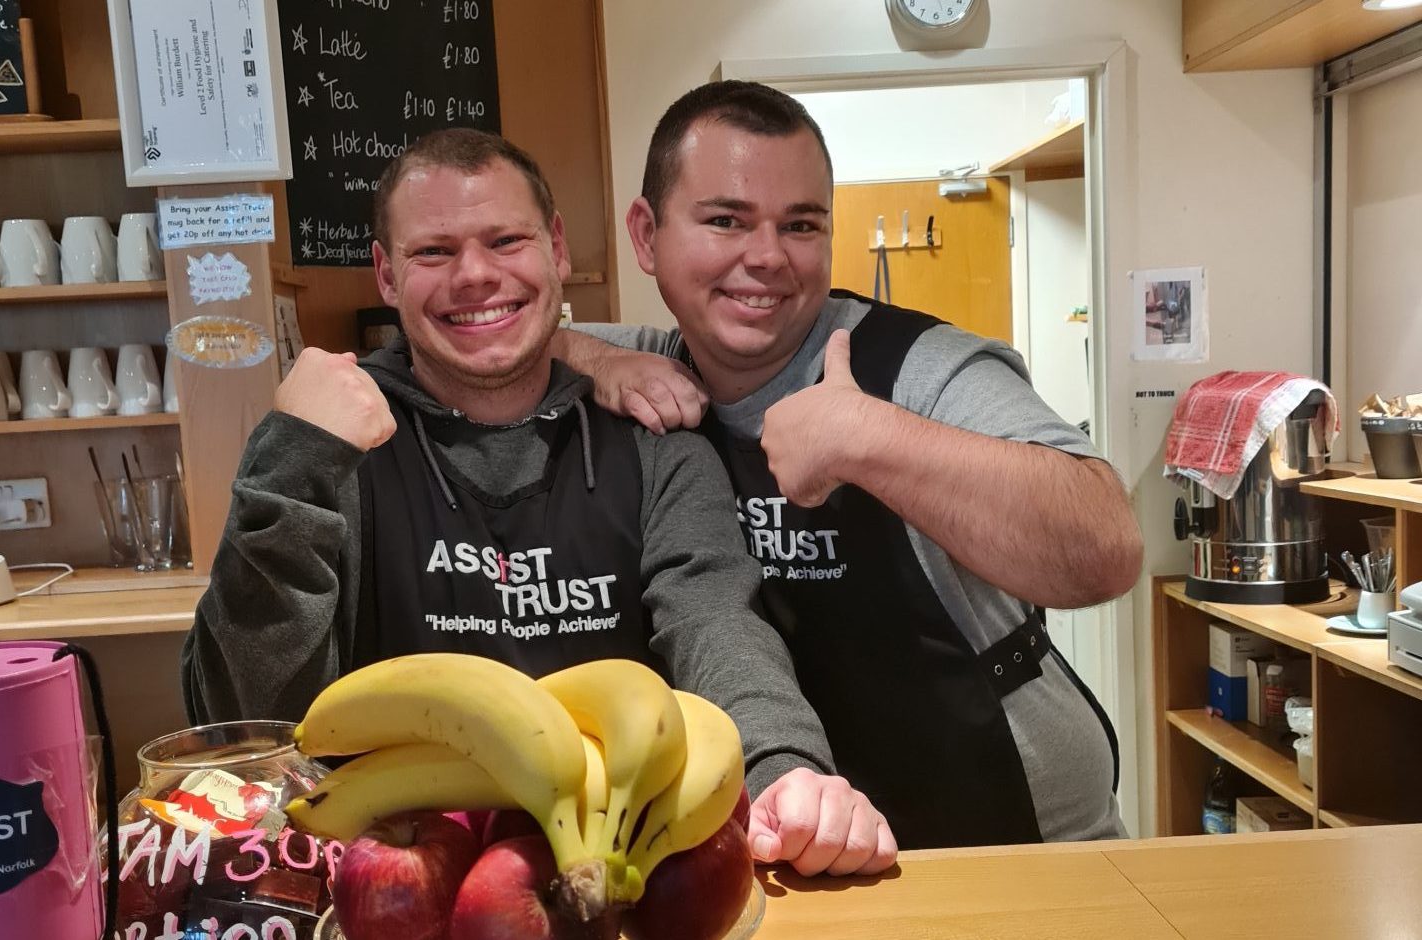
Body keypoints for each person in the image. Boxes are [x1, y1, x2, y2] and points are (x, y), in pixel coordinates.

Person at [181, 128, 895, 877]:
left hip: (619, 875)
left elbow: (717, 626)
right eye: (434, 252)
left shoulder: (656, 446)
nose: (475, 275)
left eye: (506, 241)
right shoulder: (329, 448)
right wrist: (292, 460)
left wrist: (783, 770)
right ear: (387, 275)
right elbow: (243, 729)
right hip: (383, 882)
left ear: (556, 249)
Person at [554, 81, 1146, 848]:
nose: (767, 257)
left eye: (800, 225)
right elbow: (486, 339)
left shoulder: (923, 367)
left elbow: (1106, 549)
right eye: (726, 220)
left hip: (1015, 827)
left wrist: (864, 436)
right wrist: (596, 358)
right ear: (646, 235)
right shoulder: (655, 364)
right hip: (792, 827)